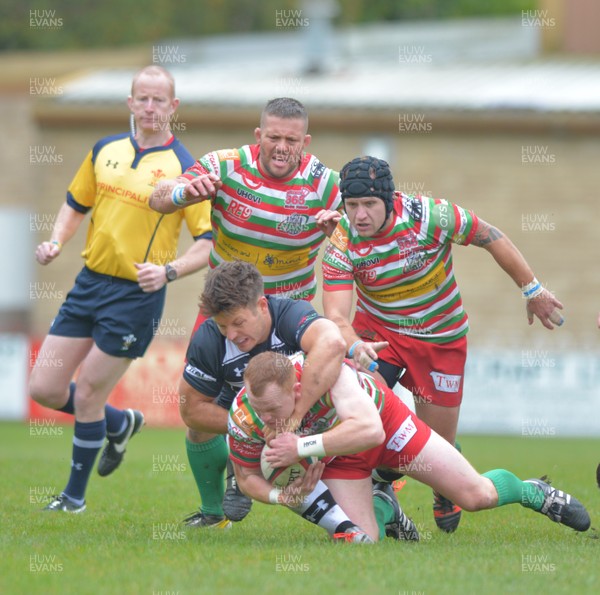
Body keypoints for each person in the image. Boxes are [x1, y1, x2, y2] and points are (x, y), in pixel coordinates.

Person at [321, 155, 565, 533]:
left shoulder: (429, 215)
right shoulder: (342, 242)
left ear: (390, 199)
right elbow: (336, 317)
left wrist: (532, 290)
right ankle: (382, 490)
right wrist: (355, 348)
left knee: (431, 445)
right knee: (358, 408)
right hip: (377, 337)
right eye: (352, 206)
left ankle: (444, 480)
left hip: (440, 338)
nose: (360, 215)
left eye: (369, 204)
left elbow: (490, 235)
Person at [29, 65, 212, 513]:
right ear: (130, 103)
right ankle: (120, 422)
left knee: (89, 391)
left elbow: (210, 242)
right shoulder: (104, 149)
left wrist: (168, 273)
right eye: (142, 98)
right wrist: (56, 240)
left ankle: (73, 498)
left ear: (174, 107)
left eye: (159, 100)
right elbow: (76, 204)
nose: (150, 107)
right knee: (44, 388)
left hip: (136, 296)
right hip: (88, 285)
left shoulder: (186, 169)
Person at [228, 351, 590, 542]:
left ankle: (533, 492)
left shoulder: (325, 373)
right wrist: (282, 497)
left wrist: (300, 446)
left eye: (275, 410)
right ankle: (386, 506)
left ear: (296, 390)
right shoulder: (245, 414)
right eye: (261, 411)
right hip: (341, 458)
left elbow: (369, 431)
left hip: (387, 424)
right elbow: (245, 477)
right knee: (360, 541)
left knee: (477, 496)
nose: (267, 420)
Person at [177, 260, 350, 529]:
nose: (231, 334)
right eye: (224, 327)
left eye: (238, 323)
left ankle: (380, 481)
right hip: (244, 415)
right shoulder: (208, 339)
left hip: (305, 414)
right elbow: (190, 409)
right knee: (197, 430)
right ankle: (214, 514)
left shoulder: (290, 314)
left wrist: (294, 419)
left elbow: (333, 343)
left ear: (261, 306)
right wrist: (249, 431)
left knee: (354, 397)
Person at [148, 96, 342, 316]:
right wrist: (182, 192)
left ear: (305, 142)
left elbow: (379, 215)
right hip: (224, 305)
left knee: (328, 343)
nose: (282, 148)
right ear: (258, 136)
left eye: (291, 140)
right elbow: (157, 198)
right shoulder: (225, 165)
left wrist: (342, 234)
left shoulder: (324, 183)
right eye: (274, 137)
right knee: (197, 351)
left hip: (286, 313)